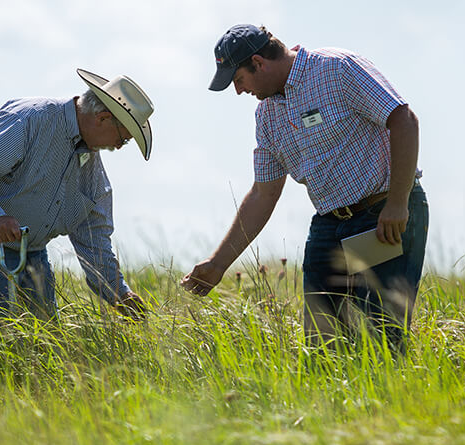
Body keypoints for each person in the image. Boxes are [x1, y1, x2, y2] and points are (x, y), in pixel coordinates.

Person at [181, 25, 429, 350]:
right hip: (329, 226)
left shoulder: (337, 68)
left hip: (382, 217)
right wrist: (218, 264)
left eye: (238, 80)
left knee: (380, 338)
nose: (239, 91)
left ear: (258, 62)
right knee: (322, 347)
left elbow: (404, 120)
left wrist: (397, 204)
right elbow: (263, 193)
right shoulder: (266, 116)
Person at [0, 69, 154, 320]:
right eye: (123, 139)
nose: (118, 147)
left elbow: (94, 238)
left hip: (32, 254)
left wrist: (119, 294)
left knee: (45, 346)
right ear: (103, 118)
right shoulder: (30, 120)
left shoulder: (92, 171)